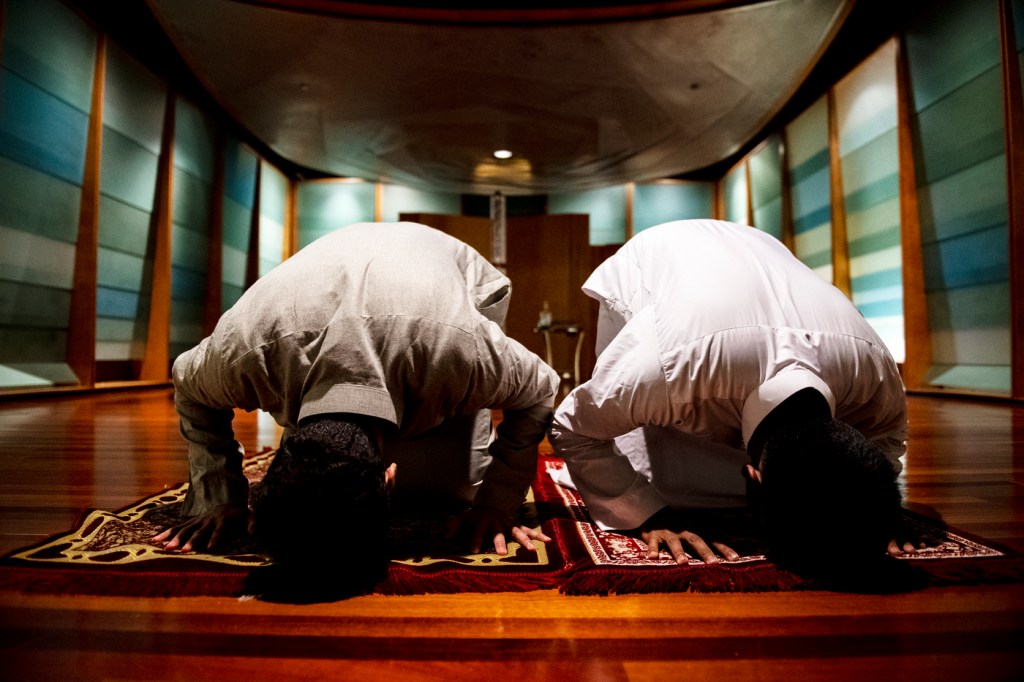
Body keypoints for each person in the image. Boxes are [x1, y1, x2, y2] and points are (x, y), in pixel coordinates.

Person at [154, 221, 558, 597]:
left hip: (458, 276)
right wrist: (220, 494)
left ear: (390, 476)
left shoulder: (460, 354)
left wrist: (495, 502)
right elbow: (187, 383)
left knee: (456, 492)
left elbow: (542, 388)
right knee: (327, 512)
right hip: (318, 295)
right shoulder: (243, 354)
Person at [549, 219, 920, 579]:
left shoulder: (875, 372)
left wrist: (866, 509)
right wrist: (647, 514)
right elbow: (573, 427)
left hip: (763, 254)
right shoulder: (662, 368)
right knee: (651, 468)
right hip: (659, 254)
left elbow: (885, 443)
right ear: (752, 477)